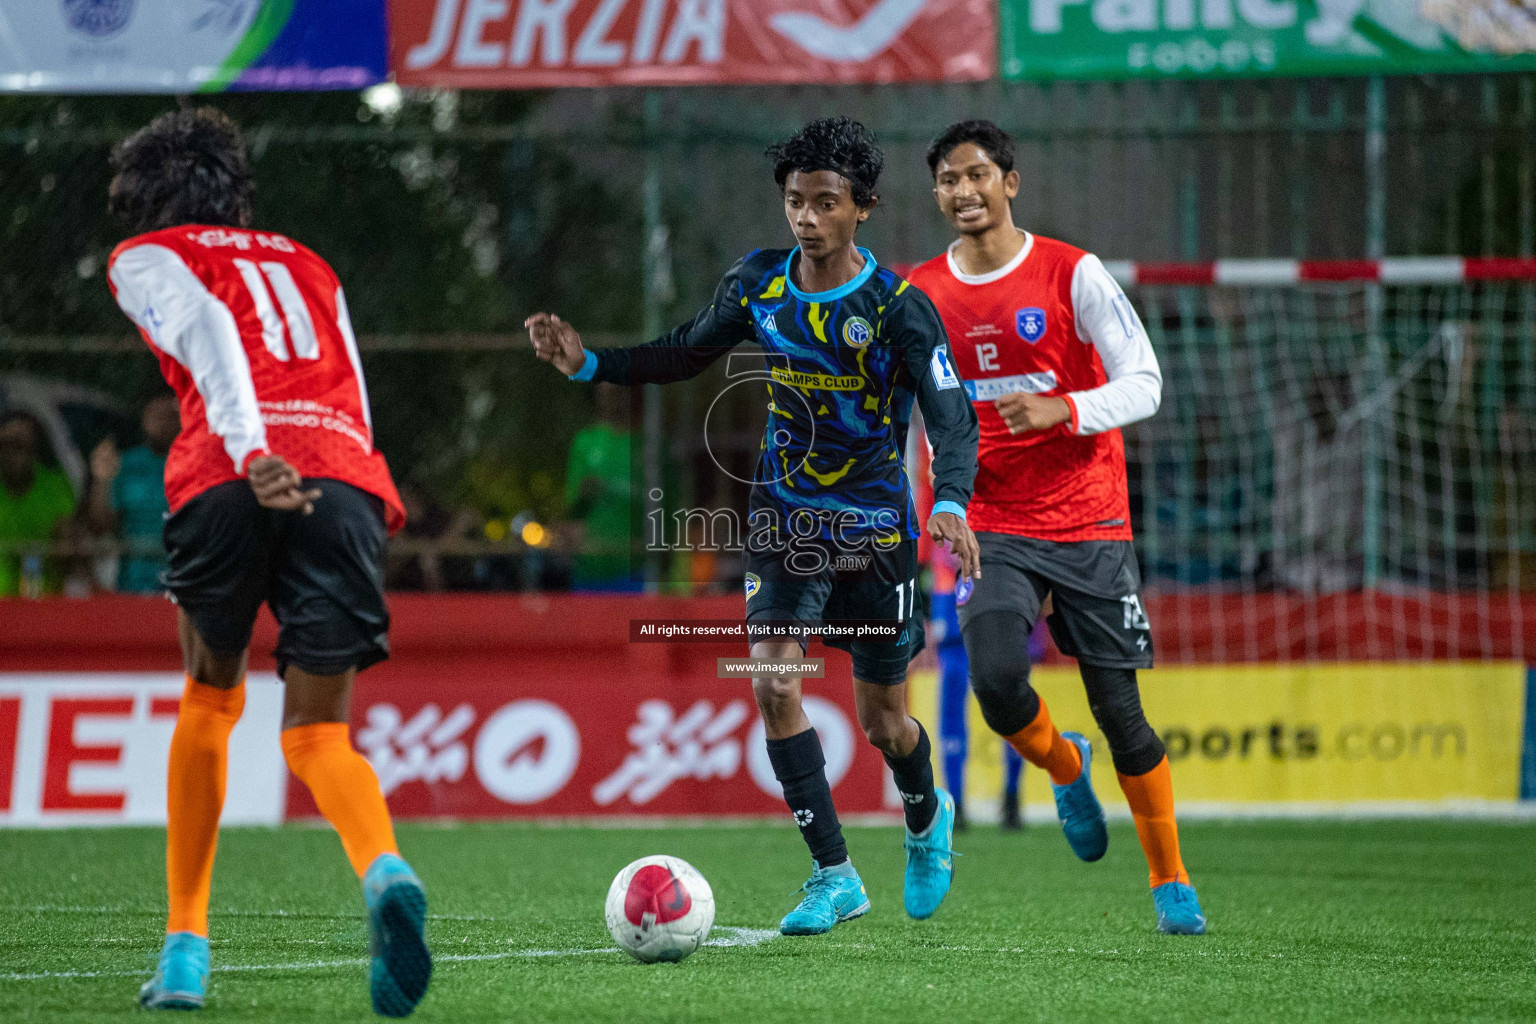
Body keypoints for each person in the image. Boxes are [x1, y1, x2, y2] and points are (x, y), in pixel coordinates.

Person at [528, 117, 980, 934]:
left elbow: (952, 415)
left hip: (877, 530)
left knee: (884, 721)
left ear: (864, 208)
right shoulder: (757, 285)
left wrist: (948, 499)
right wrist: (590, 362)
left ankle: (926, 813)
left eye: (826, 203)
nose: (806, 218)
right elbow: (683, 351)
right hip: (783, 520)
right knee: (773, 682)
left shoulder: (901, 309)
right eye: (795, 202)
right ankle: (834, 873)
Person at [105, 107, 431, 1013]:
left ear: (147, 198)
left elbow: (206, 325)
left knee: (211, 698)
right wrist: (365, 503)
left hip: (232, 475)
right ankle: (384, 867)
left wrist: (250, 450)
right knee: (319, 735)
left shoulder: (146, 255)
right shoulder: (308, 262)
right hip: (343, 478)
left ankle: (183, 952)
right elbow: (353, 387)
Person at [907, 120, 1206, 935]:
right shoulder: (921, 294)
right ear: (935, 194)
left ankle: (1169, 878)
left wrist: (1063, 408)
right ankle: (1065, 766)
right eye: (947, 180)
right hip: (989, 525)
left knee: (1124, 712)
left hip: (1089, 520)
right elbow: (913, 417)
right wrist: (926, 505)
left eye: (977, 175)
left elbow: (1144, 382)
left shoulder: (1073, 273)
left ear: (1011, 181)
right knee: (997, 680)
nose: (963, 191)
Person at [86, 393, 180, 593]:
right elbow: (100, 525)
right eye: (154, 416)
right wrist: (101, 481)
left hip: (182, 580)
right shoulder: (126, 464)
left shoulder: (194, 465)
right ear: (144, 419)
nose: (160, 424)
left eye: (168, 416)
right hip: (133, 582)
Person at [564, 381, 643, 590]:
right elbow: (573, 509)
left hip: (635, 570)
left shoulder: (649, 444)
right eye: (605, 393)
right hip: (590, 569)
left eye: (618, 392)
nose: (612, 400)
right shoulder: (585, 442)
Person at [0, 410, 77, 598]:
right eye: (5, 445)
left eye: (20, 445)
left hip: (43, 599)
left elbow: (66, 543)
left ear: (35, 448)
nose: (12, 453)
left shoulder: (55, 485)